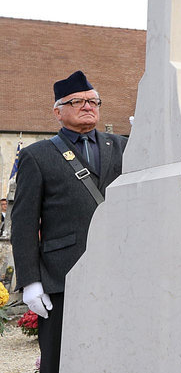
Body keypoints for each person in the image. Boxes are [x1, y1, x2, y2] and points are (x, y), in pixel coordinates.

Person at [11, 71, 127, 373]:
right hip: (62, 277)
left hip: (118, 270)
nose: (88, 106)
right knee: (60, 358)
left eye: (93, 101)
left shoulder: (122, 146)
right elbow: (23, 222)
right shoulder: (37, 156)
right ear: (57, 111)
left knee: (115, 352)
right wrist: (30, 281)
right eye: (77, 101)